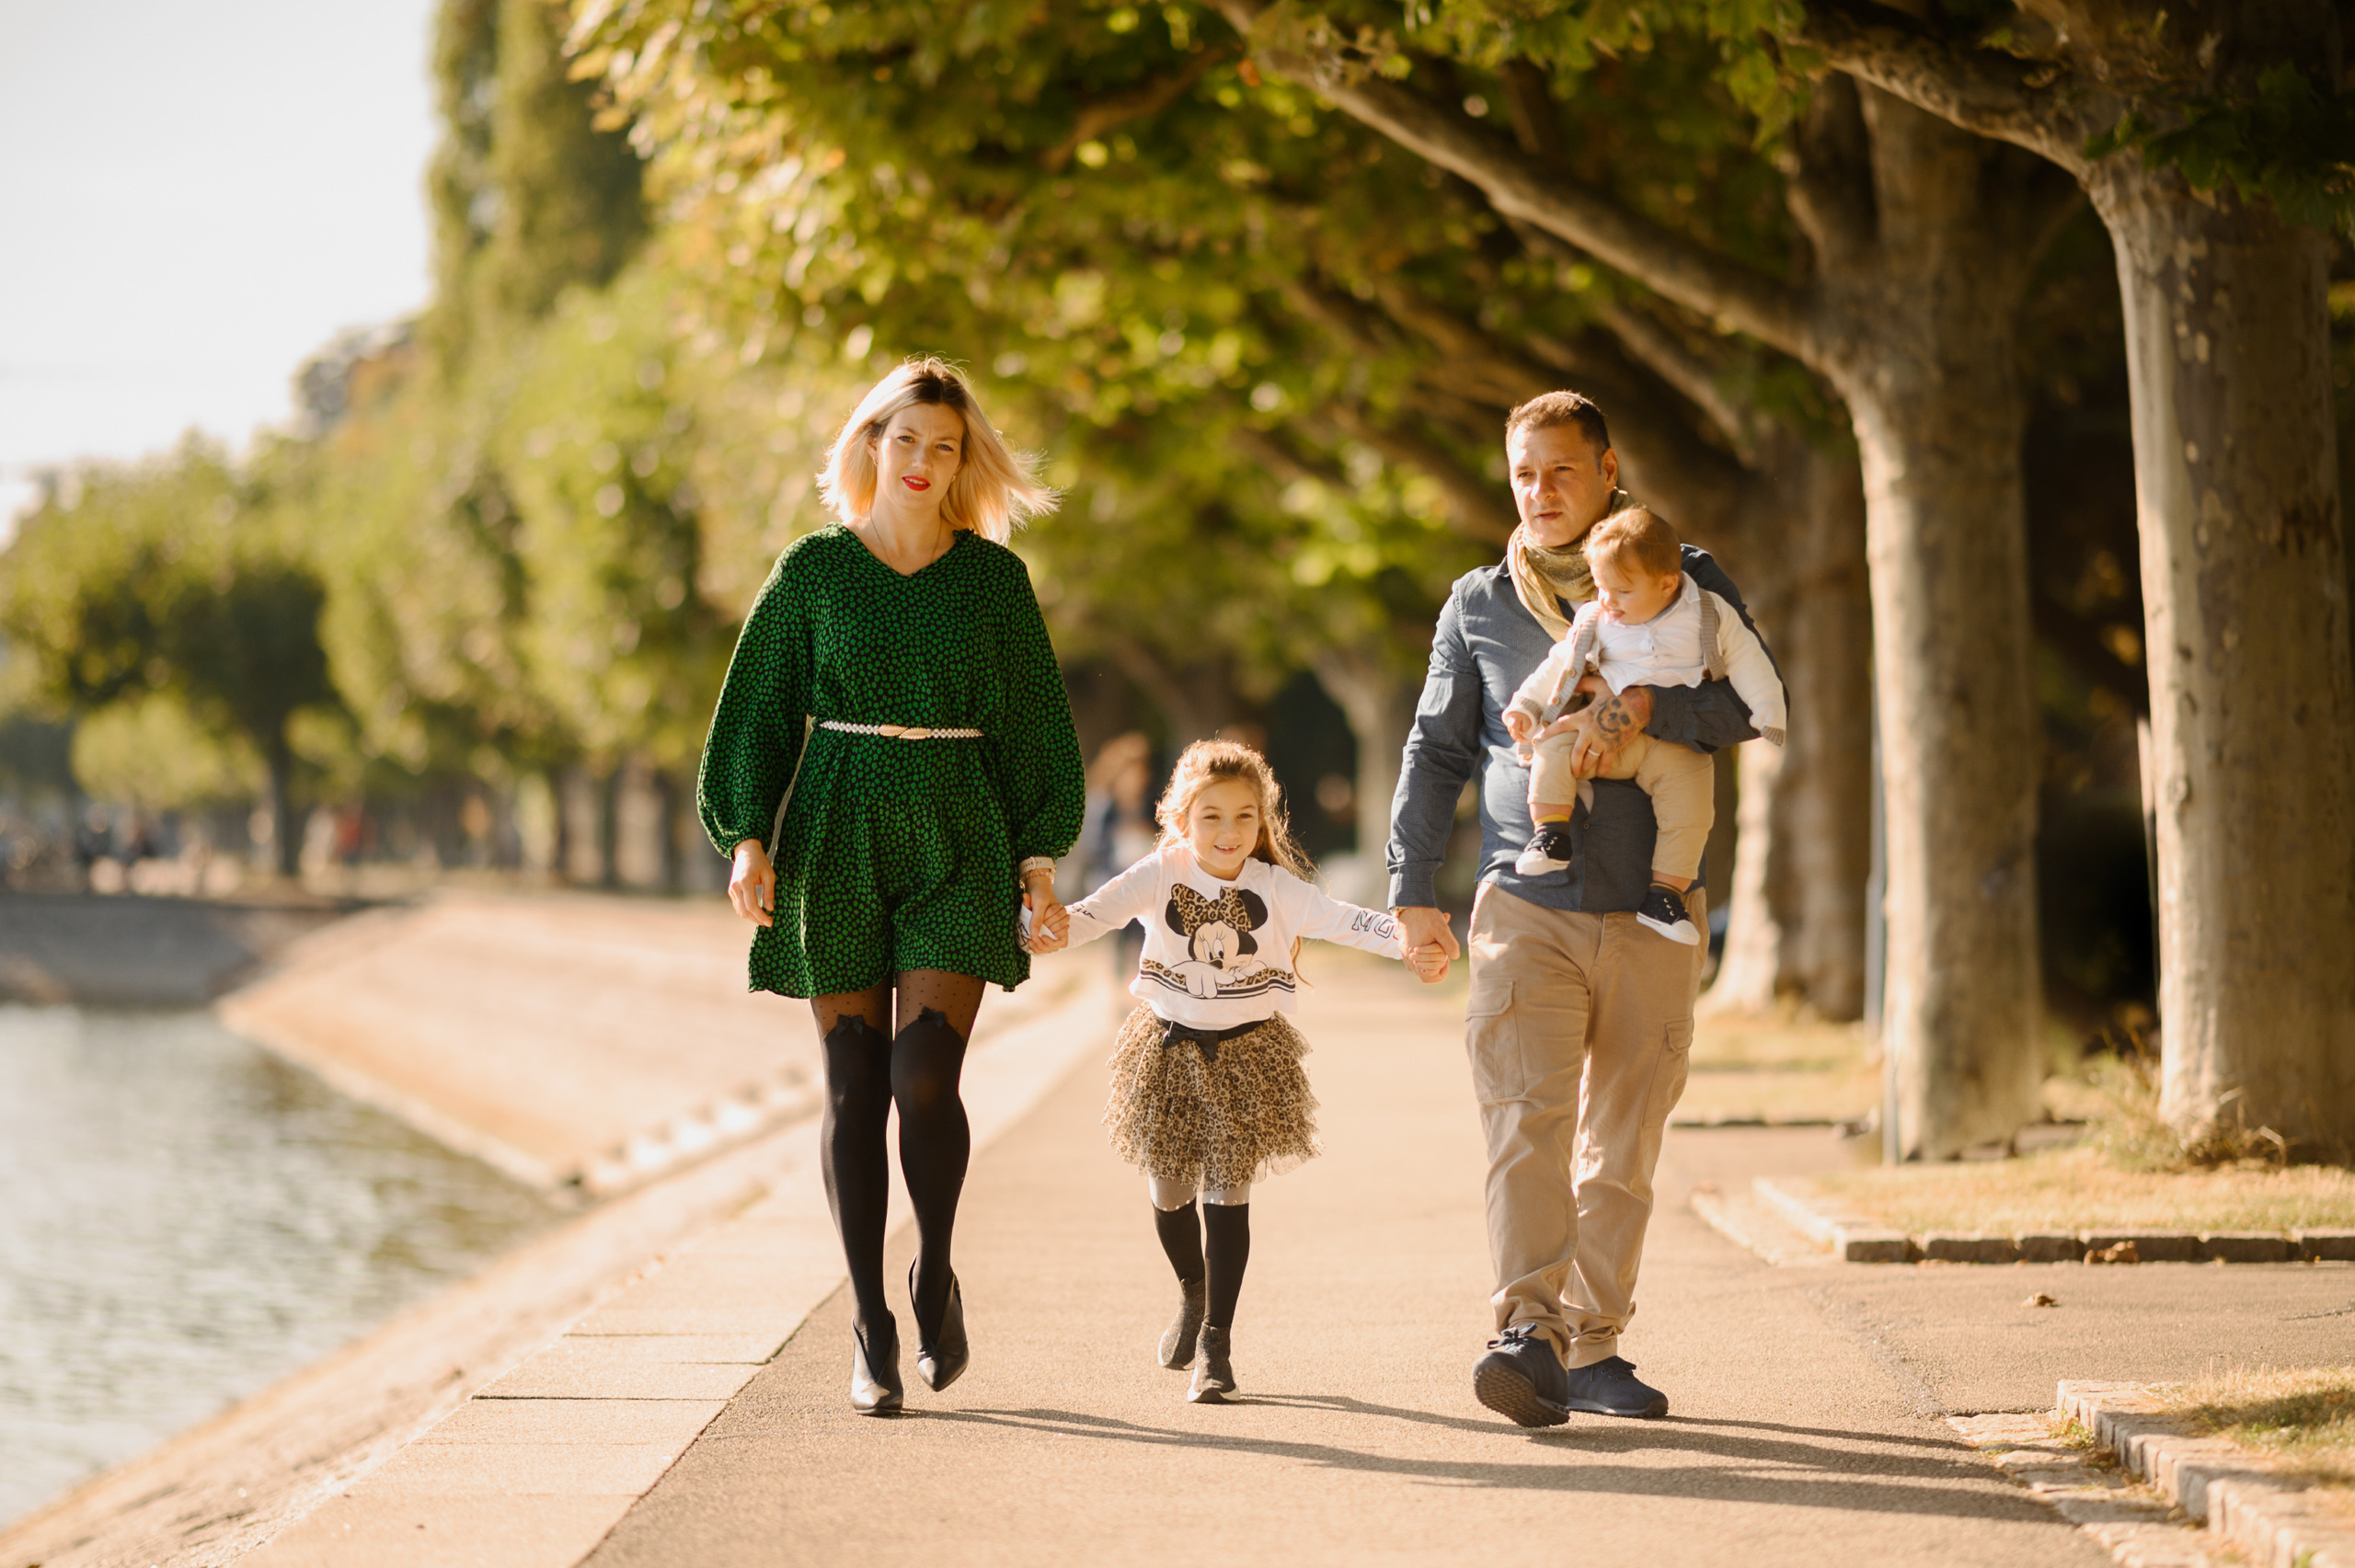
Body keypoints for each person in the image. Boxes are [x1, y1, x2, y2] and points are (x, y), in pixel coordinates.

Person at [697, 358, 1086, 1417]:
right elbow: (756, 710)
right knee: (854, 1089)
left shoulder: (994, 582)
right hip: (837, 832)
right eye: (903, 438)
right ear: (871, 442)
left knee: (923, 1075)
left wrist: (1038, 859)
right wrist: (745, 837)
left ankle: (934, 1271)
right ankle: (869, 1322)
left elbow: (1035, 724)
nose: (920, 461)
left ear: (963, 462)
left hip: (960, 829)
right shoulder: (814, 571)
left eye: (942, 447)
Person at [1386, 390, 1777, 1429]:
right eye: (1524, 473)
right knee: (1526, 1120)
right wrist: (1411, 888)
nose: (1541, 490)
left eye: (1561, 468)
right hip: (1527, 901)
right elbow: (1435, 748)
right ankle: (1526, 1334)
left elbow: (1750, 700)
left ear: (1607, 470)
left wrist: (1653, 707)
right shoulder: (1478, 604)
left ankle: (1594, 1346)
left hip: (1655, 905)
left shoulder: (1685, 576)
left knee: (1624, 1138)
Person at [1029, 739, 1448, 1402]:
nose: (1229, 832)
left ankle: (1216, 1344)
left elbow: (1349, 921)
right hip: (1167, 1051)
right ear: (1182, 820)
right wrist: (1044, 928)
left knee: (1228, 1198)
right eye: (1213, 817)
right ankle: (1192, 1290)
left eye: (1245, 817)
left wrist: (1411, 941)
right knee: (1170, 1196)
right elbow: (1089, 917)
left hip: (1249, 1056)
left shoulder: (1275, 888)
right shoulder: (1158, 873)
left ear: (1262, 821)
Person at [1505, 504, 1785, 944]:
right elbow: (1558, 663)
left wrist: (1767, 709)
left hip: (1674, 744)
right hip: (1604, 739)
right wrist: (1527, 704)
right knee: (1553, 747)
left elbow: (1747, 658)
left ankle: (1665, 895)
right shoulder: (1598, 617)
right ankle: (1550, 834)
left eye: (1622, 591)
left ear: (1667, 584)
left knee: (1692, 808)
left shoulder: (1707, 612)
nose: (1607, 601)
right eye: (1600, 588)